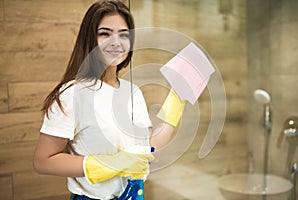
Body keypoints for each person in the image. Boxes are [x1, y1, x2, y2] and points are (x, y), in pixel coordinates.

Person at [33, 0, 185, 199]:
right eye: (105, 33)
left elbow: (148, 147)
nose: (116, 42)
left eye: (124, 34)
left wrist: (177, 98)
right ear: (90, 38)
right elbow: (43, 161)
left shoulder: (133, 92)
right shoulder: (72, 93)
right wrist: (108, 165)